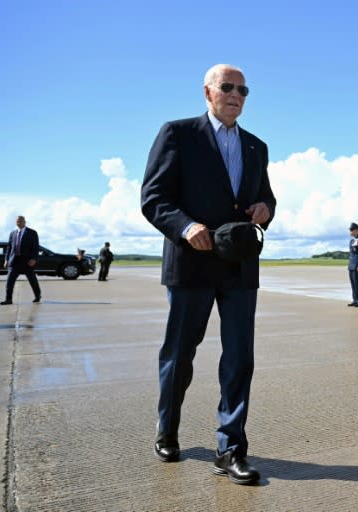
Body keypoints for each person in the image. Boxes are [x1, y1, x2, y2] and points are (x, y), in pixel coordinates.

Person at [141, 63, 276, 485]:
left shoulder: (256, 147)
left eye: (243, 89)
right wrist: (185, 226)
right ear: (208, 92)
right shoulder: (178, 134)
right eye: (228, 87)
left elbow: (267, 198)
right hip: (191, 263)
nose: (236, 94)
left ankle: (230, 447)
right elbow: (154, 198)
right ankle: (167, 428)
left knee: (240, 358)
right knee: (180, 355)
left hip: (239, 267)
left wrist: (265, 209)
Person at [1, 216, 42, 305]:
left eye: (20, 221)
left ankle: (37, 296)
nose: (18, 223)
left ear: (24, 222)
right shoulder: (13, 233)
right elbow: (9, 247)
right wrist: (6, 260)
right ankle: (8, 299)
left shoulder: (32, 233)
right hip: (14, 261)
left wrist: (34, 258)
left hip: (27, 261)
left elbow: (35, 247)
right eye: (17, 221)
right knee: (9, 281)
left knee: (32, 280)